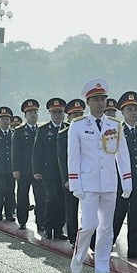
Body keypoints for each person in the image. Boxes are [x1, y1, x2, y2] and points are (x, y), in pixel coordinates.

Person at [68, 79, 133, 273]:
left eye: (103, 99)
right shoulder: (77, 126)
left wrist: (127, 180)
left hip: (109, 182)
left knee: (106, 228)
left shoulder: (114, 124)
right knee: (88, 225)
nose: (100, 103)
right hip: (87, 183)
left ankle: (102, 269)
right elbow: (73, 157)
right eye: (95, 99)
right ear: (88, 102)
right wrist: (75, 184)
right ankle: (79, 256)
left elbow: (122, 155)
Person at [112, 91, 137, 260]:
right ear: (123, 112)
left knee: (136, 216)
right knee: (117, 215)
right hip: (121, 181)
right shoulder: (116, 132)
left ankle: (134, 249)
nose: (134, 112)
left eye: (136, 109)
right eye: (130, 109)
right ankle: (106, 243)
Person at [33, 97, 69, 240]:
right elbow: (37, 152)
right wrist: (36, 170)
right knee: (52, 198)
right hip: (49, 171)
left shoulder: (68, 128)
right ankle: (47, 226)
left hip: (64, 172)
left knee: (62, 200)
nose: (57, 115)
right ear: (50, 113)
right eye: (54, 112)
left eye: (60, 112)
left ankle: (59, 229)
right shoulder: (43, 130)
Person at [58, 98, 86, 247]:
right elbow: (62, 159)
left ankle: (89, 237)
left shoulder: (91, 130)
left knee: (90, 209)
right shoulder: (64, 134)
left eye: (80, 114)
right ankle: (73, 237)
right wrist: (66, 179)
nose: (77, 117)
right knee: (72, 208)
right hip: (72, 177)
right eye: (74, 115)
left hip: (88, 176)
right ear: (68, 117)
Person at [14, 99, 43, 231]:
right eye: (30, 112)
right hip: (24, 170)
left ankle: (41, 222)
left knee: (41, 197)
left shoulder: (41, 130)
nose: (33, 115)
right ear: (25, 115)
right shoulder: (19, 131)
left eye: (35, 112)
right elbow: (15, 152)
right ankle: (22, 220)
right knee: (22, 197)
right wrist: (15, 169)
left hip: (38, 170)